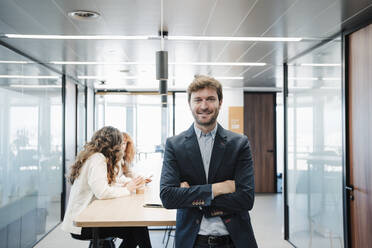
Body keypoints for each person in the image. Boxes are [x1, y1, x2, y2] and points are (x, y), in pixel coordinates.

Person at [160, 76, 257, 248]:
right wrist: (217, 189)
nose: (204, 106)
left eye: (210, 99)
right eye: (198, 100)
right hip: (192, 241)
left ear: (220, 102)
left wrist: (190, 197)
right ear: (189, 104)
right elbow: (168, 197)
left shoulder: (239, 143)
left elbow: (245, 199)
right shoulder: (174, 145)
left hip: (234, 240)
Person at [61, 126, 152, 248]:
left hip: (90, 217)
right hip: (84, 223)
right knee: (137, 228)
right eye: (121, 143)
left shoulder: (96, 157)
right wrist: (127, 189)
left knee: (137, 228)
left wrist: (128, 184)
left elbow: (108, 181)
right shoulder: (97, 159)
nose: (122, 147)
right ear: (114, 144)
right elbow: (102, 192)